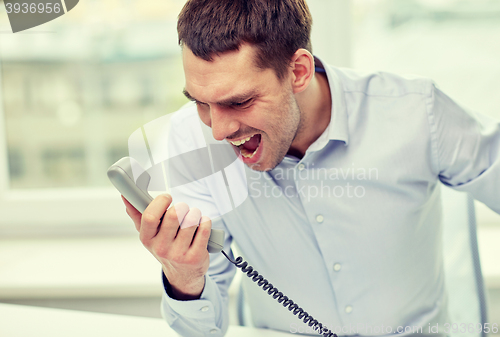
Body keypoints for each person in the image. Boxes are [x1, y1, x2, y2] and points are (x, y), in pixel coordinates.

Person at [122, 0, 500, 336]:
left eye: (239, 102)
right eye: (201, 103)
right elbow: (202, 331)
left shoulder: (416, 113)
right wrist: (184, 276)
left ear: (298, 72)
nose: (218, 130)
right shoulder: (192, 140)